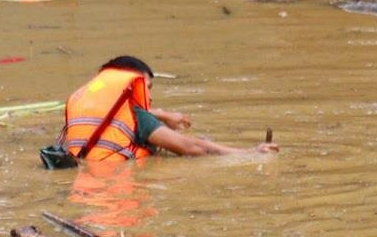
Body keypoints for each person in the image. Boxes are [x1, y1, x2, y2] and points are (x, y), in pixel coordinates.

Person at [55, 56, 279, 162]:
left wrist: (160, 115)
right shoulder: (138, 117)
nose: (149, 96)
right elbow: (192, 148)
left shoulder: (78, 108)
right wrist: (251, 153)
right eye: (145, 88)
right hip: (117, 186)